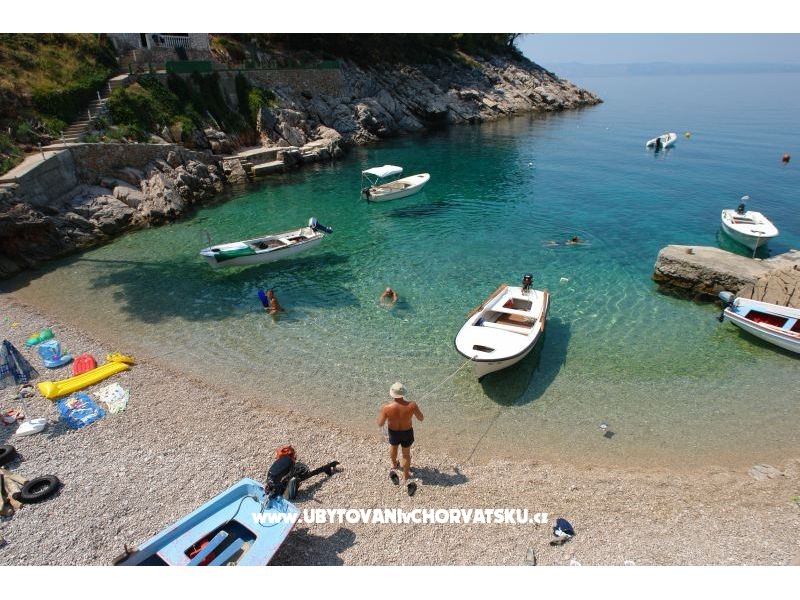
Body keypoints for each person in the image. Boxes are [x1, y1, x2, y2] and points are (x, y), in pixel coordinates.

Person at [377, 382, 424, 496]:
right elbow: (421, 418)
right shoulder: (412, 405)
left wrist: (386, 415)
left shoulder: (386, 407)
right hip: (407, 432)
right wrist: (411, 411)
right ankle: (406, 475)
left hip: (393, 432)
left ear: (392, 394)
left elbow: (380, 423)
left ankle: (394, 464)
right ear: (403, 393)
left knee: (393, 447)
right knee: (406, 454)